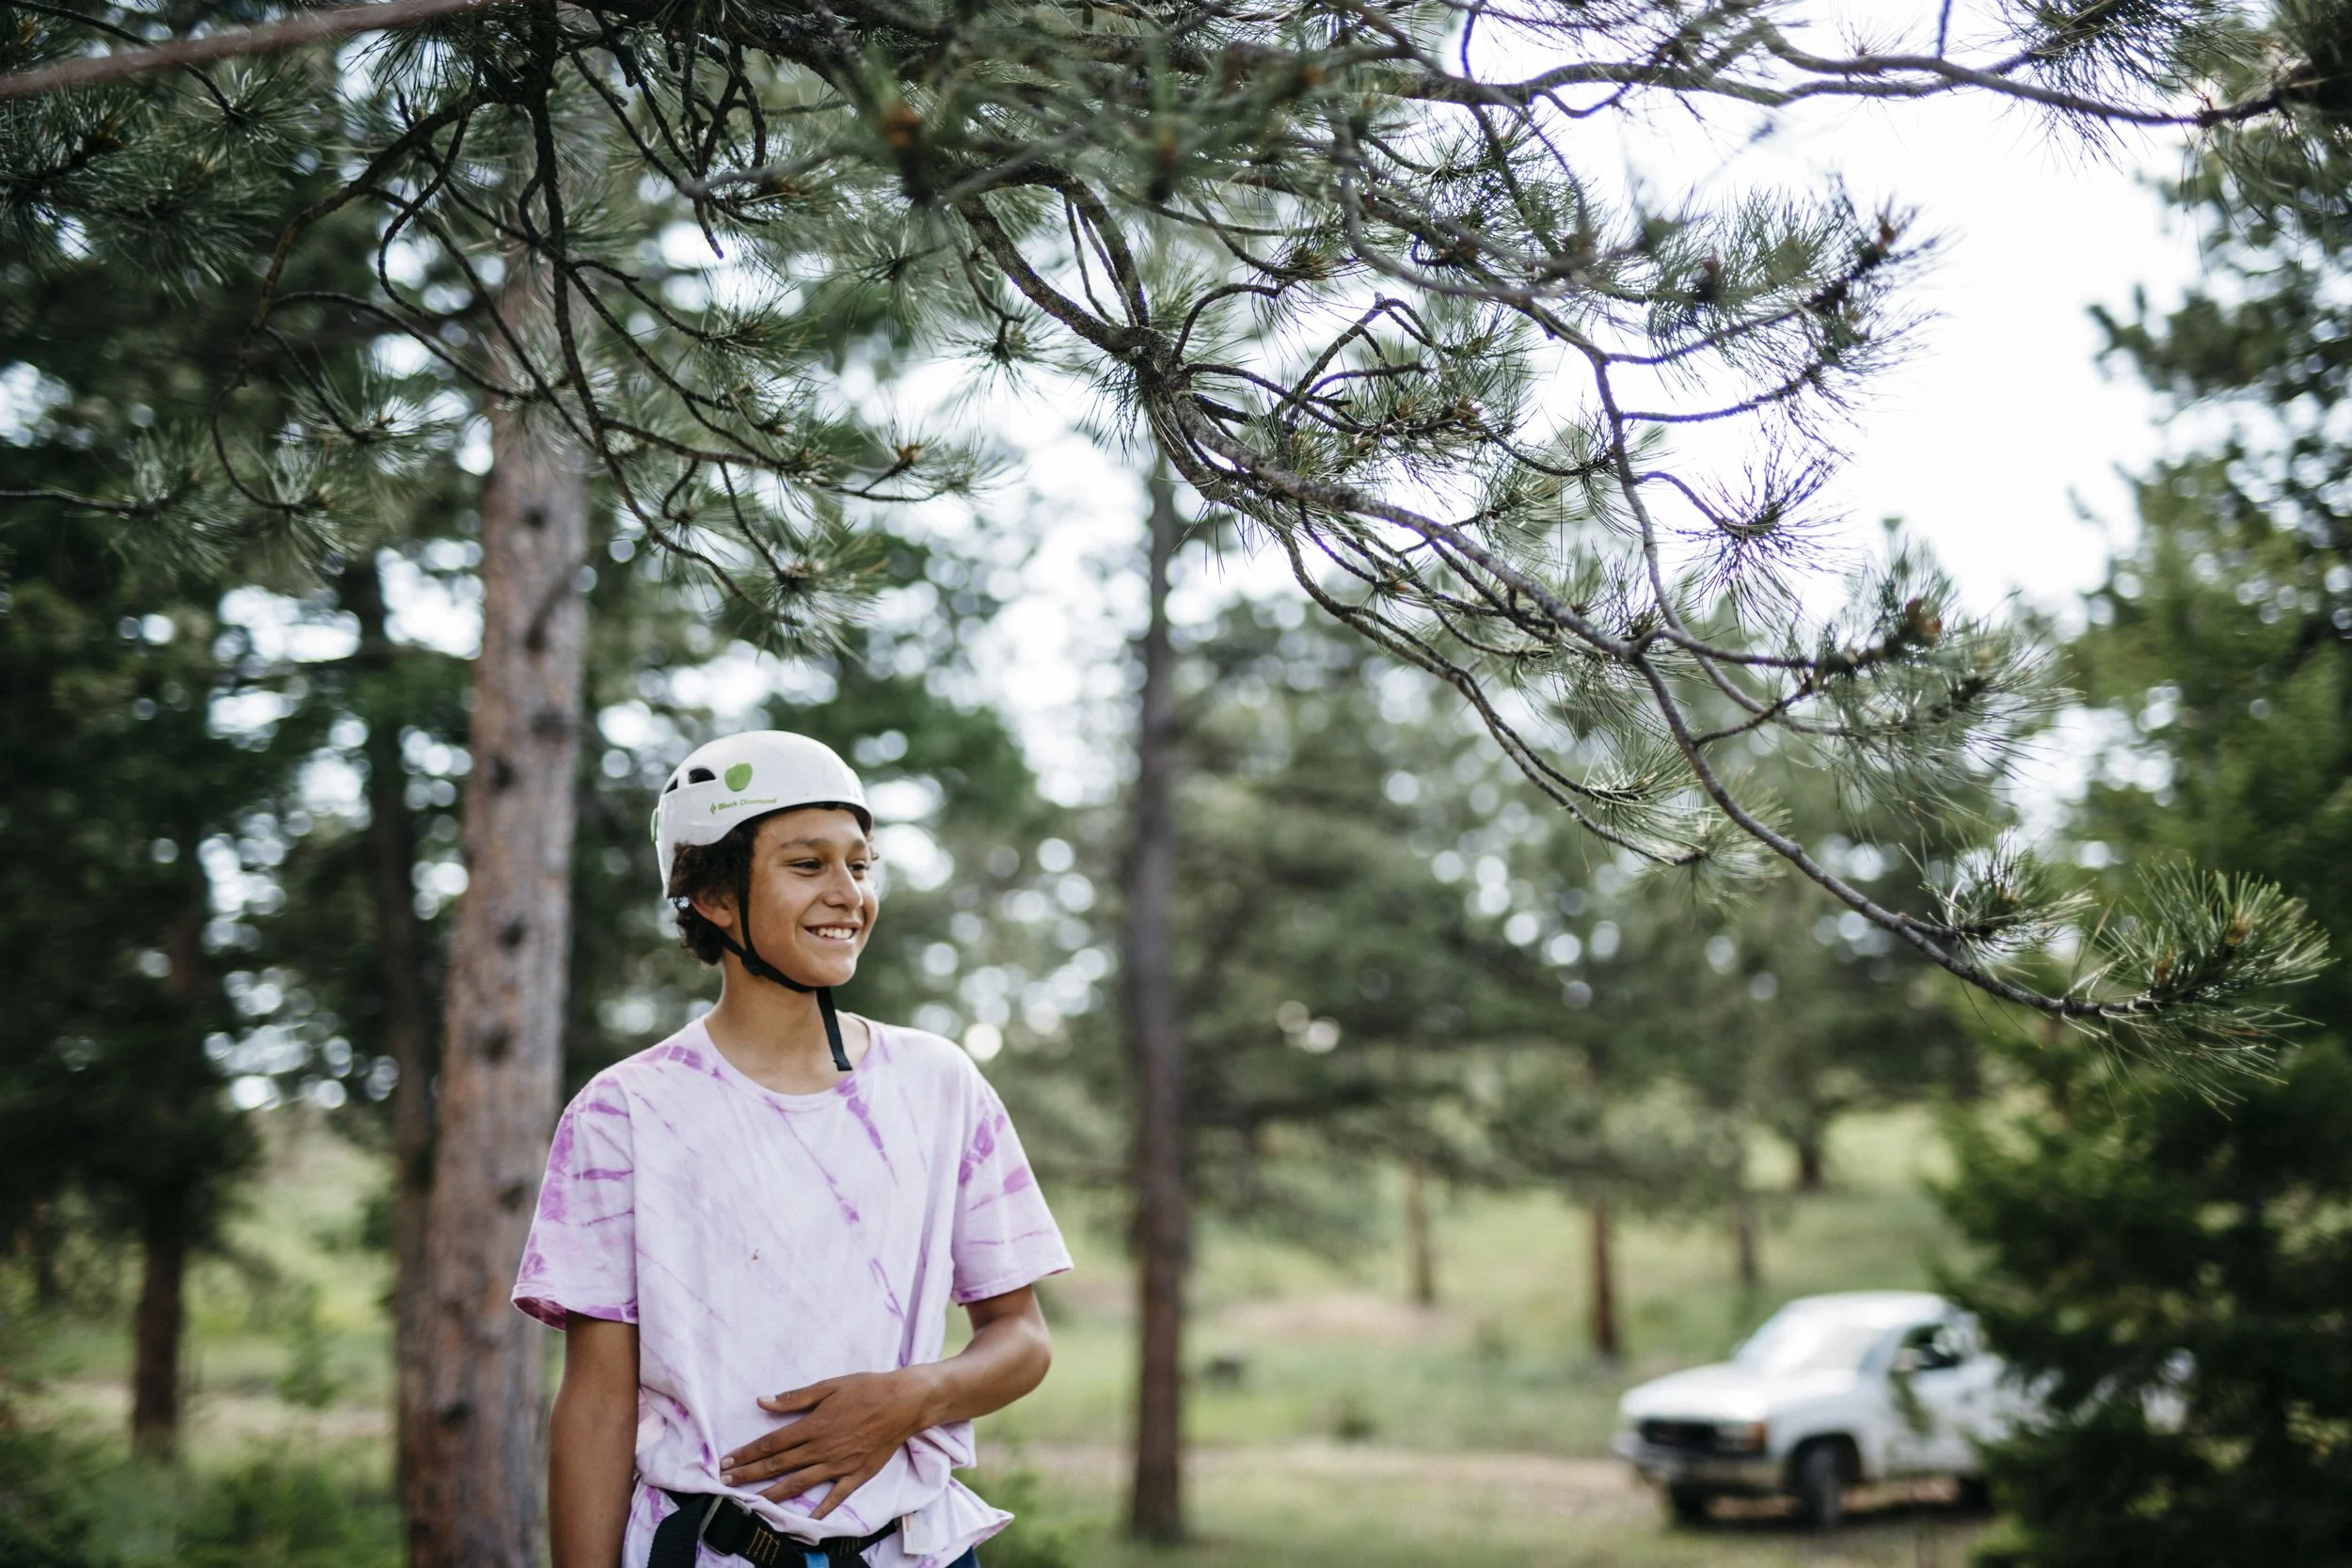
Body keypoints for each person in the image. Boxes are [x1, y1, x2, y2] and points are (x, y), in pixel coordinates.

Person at [515, 730, 1072, 1568]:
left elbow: (1021, 1337)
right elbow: (597, 1400)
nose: (848, 892)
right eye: (808, 864)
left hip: (918, 1550)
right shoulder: (625, 1111)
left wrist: (913, 1397)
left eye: (860, 862)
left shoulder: (939, 1084)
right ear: (712, 895)